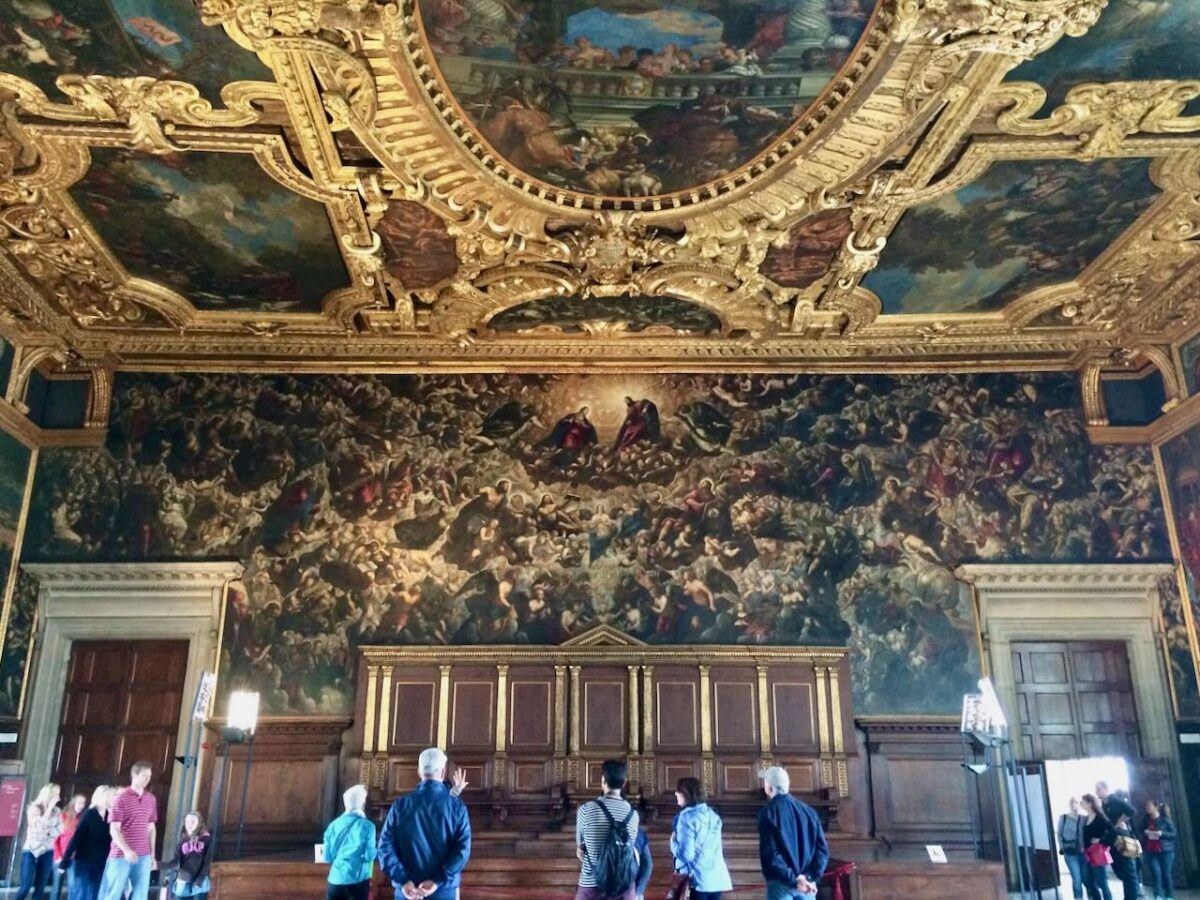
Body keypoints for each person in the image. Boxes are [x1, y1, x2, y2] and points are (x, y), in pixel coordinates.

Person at [378, 748, 471, 900]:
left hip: (406, 892)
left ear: (419, 773)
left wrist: (403, 880)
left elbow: (384, 847)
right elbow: (462, 850)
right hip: (443, 891)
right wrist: (437, 880)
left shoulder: (400, 805)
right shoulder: (457, 807)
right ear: (442, 773)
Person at [757, 766, 828, 900]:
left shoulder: (768, 813)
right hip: (807, 886)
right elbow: (822, 851)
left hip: (781, 885)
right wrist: (808, 877)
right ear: (788, 784)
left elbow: (772, 855)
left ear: (769, 788)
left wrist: (794, 880)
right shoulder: (809, 811)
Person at [575, 759, 640, 900]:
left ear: (603, 780)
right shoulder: (633, 814)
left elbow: (581, 851)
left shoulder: (586, 810)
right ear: (624, 783)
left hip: (592, 885)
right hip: (624, 886)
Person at [98, 761, 157, 900]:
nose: (147, 780)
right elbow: (114, 829)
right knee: (112, 893)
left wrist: (152, 855)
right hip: (120, 854)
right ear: (134, 776)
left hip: (144, 855)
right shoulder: (121, 798)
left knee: (140, 894)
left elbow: (151, 828)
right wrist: (126, 849)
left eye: (149, 776)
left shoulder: (151, 799)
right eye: (144, 776)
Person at [671, 777, 732, 900]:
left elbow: (686, 855)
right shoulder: (713, 815)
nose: (676, 794)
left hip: (697, 881)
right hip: (717, 879)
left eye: (678, 791)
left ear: (686, 794)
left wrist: (672, 843)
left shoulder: (687, 818)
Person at [323, 784, 377, 900]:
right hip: (357, 881)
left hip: (335, 880)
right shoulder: (368, 826)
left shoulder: (332, 825)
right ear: (362, 804)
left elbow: (327, 857)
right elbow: (369, 856)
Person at [60, 786, 114, 900]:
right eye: (109, 796)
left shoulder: (110, 816)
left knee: (94, 894)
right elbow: (76, 838)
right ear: (101, 797)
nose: (112, 798)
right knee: (82, 893)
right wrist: (65, 860)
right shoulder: (89, 814)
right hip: (84, 860)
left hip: (100, 861)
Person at [17, 782, 62, 900]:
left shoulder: (57, 811)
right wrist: (49, 810)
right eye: (55, 794)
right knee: (26, 885)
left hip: (48, 850)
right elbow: (38, 827)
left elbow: (59, 830)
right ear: (48, 794)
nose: (58, 797)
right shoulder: (34, 808)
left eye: (58, 794)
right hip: (31, 850)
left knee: (40, 886)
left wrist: (47, 830)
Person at [167, 812, 211, 900]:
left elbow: (207, 862)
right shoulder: (182, 839)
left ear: (199, 823)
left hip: (198, 882)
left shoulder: (205, 839)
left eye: (193, 822)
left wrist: (199, 880)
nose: (189, 825)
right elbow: (175, 861)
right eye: (187, 822)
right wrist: (159, 865)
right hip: (183, 881)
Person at [1081, 793, 1116, 900]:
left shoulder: (1100, 817)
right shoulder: (1086, 818)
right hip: (1088, 853)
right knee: (1087, 880)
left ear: (1090, 803)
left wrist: (1101, 840)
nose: (1081, 804)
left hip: (1098, 853)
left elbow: (1113, 832)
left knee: (1102, 882)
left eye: (1083, 802)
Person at [52, 794, 87, 900]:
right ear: (73, 803)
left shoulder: (83, 818)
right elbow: (55, 838)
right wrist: (58, 855)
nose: (81, 805)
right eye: (79, 802)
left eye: (83, 803)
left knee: (73, 886)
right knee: (56, 888)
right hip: (60, 855)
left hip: (75, 857)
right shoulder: (63, 816)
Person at [1139, 799, 1175, 900]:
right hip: (1150, 850)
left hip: (1165, 850)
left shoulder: (1165, 820)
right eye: (1146, 806)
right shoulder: (1145, 820)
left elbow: (1173, 835)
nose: (1147, 808)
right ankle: (1157, 895)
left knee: (1166, 873)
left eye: (1149, 806)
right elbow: (1140, 831)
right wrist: (1145, 832)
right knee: (1155, 872)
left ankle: (1169, 895)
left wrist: (1161, 834)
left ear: (1156, 807)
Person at [1058, 797, 1086, 900]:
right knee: (1077, 878)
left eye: (1077, 803)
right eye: (1073, 803)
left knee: (1086, 877)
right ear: (1070, 805)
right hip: (1070, 852)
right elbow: (1060, 834)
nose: (1075, 805)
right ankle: (1078, 897)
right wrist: (1061, 847)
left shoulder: (1084, 818)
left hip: (1083, 851)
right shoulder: (1064, 818)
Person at [634, 827, 653, 900]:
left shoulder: (599, 828)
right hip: (632, 887)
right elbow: (648, 866)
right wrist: (639, 891)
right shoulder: (639, 832)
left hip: (603, 889)